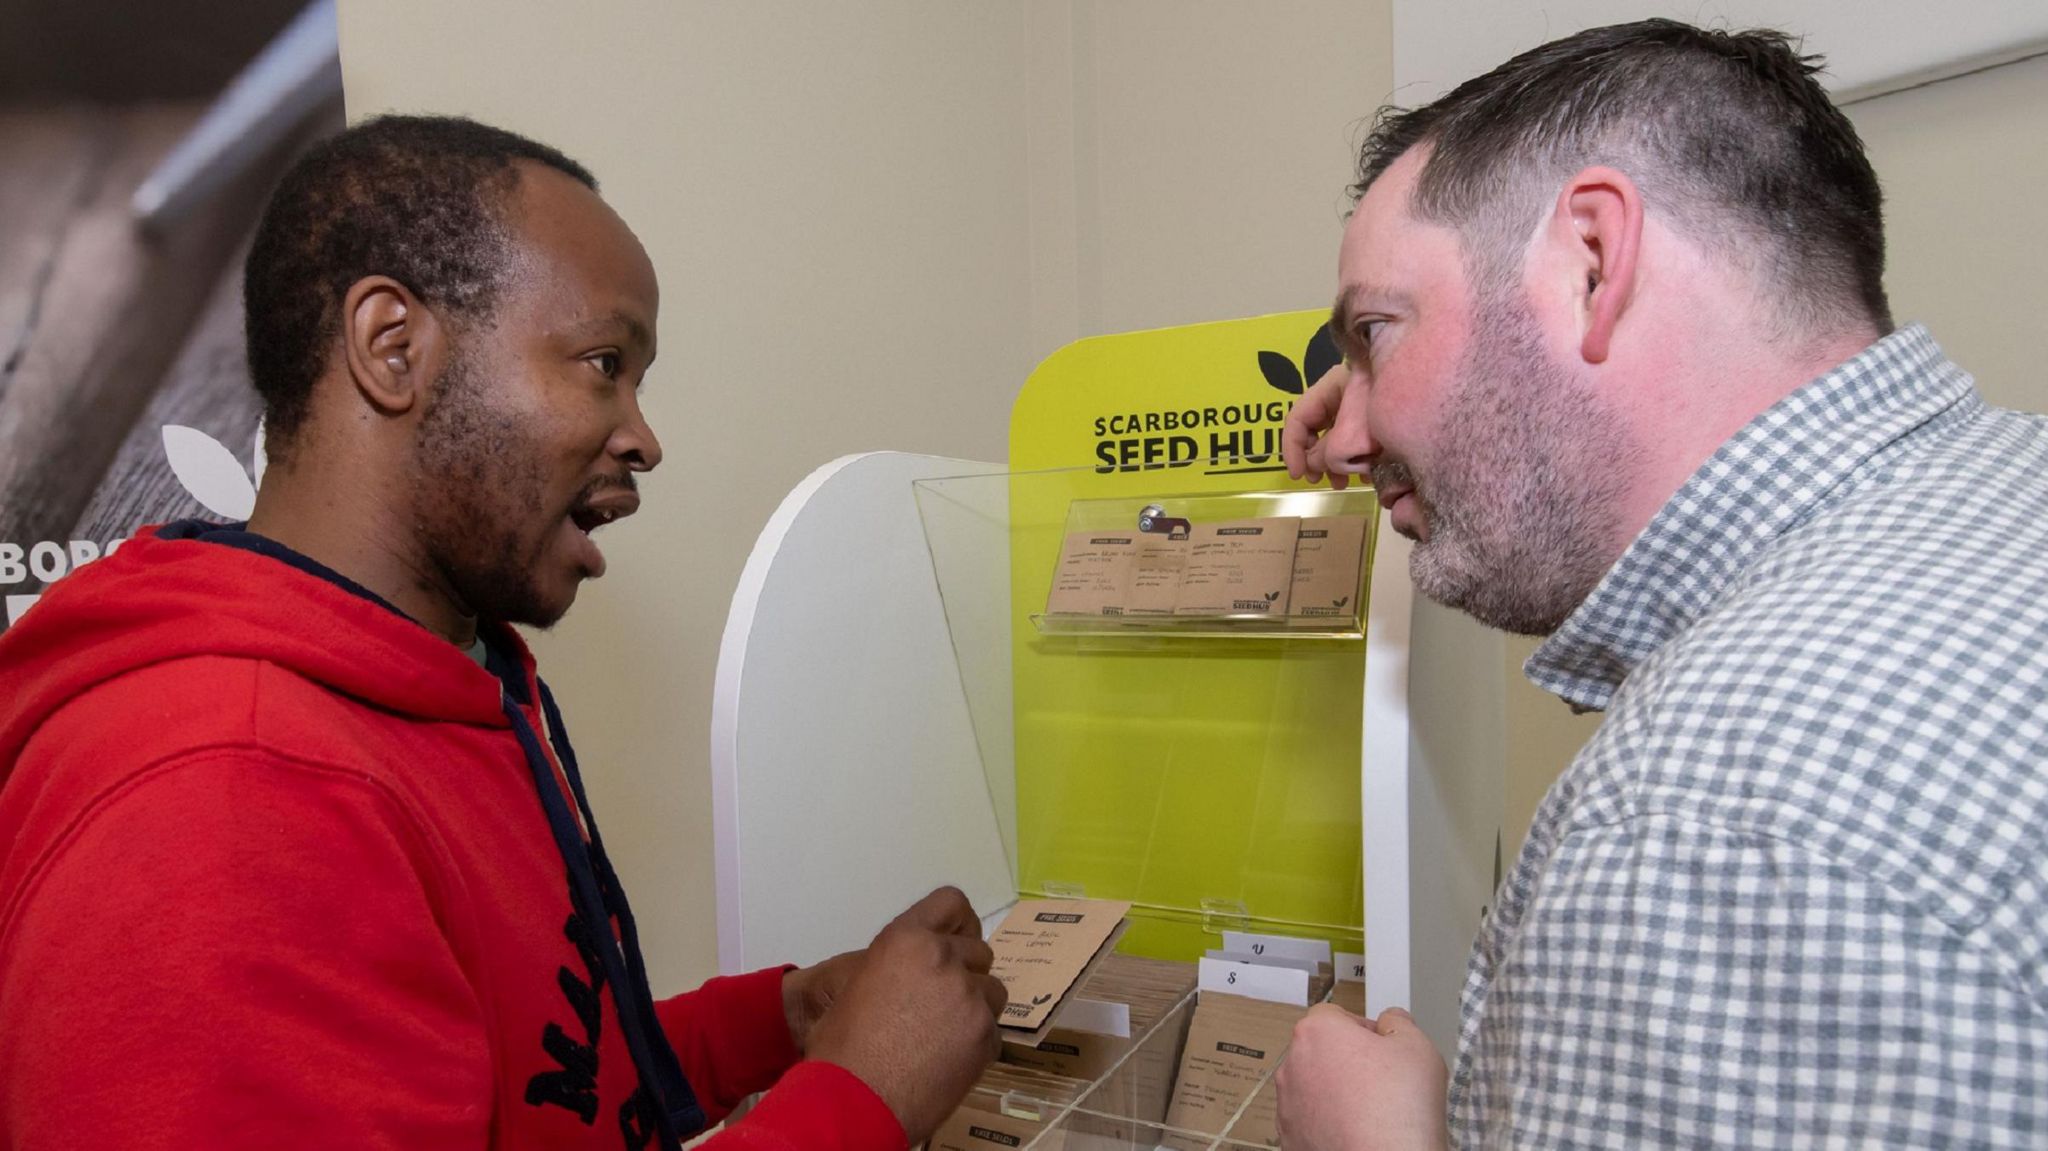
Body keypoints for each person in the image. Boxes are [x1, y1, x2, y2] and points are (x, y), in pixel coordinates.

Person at [0, 116, 1005, 1151]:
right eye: (603, 362)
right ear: (393, 348)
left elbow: (517, 1089)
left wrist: (770, 1024)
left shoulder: (445, 682)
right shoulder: (224, 801)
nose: (644, 437)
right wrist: (861, 1096)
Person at [1274, 18, 2048, 1149]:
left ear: (1592, 259)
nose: (1339, 436)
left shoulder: (1700, 827)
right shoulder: (1995, 504)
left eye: (1375, 331)